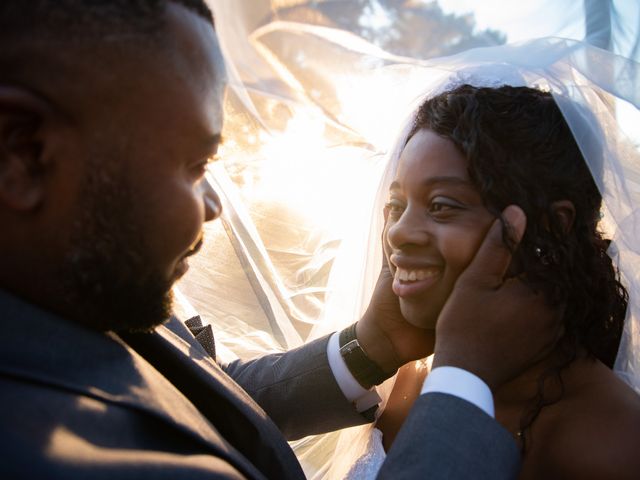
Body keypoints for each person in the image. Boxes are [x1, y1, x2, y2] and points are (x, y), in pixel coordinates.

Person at [0, 1, 559, 478]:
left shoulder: (68, 291)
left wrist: (372, 346)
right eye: (194, 166)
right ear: (23, 156)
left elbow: (196, 396)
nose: (216, 206)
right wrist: (466, 381)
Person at [342, 84, 640, 479]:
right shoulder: (416, 376)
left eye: (441, 206)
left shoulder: (613, 445)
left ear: (549, 228)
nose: (397, 232)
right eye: (397, 205)